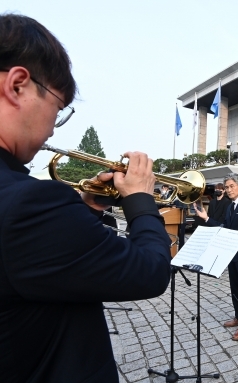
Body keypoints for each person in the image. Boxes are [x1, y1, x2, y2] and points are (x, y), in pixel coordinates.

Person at [0, 14, 172, 382]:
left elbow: (44, 266)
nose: (52, 127)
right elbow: (151, 271)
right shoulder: (29, 204)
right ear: (18, 85)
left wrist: (89, 209)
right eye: (58, 110)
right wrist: (141, 198)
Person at [194, 173, 238, 341]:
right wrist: (206, 218)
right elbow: (224, 227)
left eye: (231, 186)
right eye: (227, 187)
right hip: (232, 254)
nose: (228, 190)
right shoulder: (230, 206)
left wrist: (234, 237)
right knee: (235, 288)